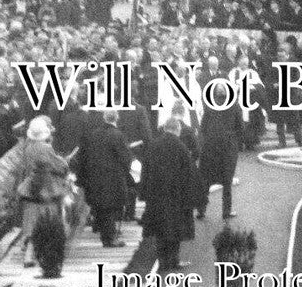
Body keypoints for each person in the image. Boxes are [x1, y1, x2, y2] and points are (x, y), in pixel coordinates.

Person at [140, 117, 203, 274]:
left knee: (160, 229)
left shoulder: (153, 145)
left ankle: (162, 260)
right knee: (175, 229)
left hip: (156, 194)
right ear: (177, 129)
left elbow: (145, 169)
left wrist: (144, 192)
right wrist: (192, 197)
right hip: (175, 195)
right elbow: (188, 173)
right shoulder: (180, 147)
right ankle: (173, 260)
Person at [18, 116, 70, 270]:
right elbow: (59, 167)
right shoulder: (46, 148)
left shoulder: (27, 148)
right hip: (47, 190)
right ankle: (47, 255)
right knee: (50, 220)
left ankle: (28, 256)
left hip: (30, 188)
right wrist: (64, 161)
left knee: (30, 223)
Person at [76, 110, 133, 249]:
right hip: (112, 178)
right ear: (116, 118)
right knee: (110, 209)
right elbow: (125, 158)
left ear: (104, 118)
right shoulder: (118, 135)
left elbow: (83, 156)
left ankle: (105, 235)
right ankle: (109, 238)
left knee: (100, 208)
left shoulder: (93, 134)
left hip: (94, 176)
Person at [197, 78, 243, 221]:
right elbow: (240, 128)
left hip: (210, 146)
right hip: (228, 147)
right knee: (227, 181)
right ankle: (226, 211)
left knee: (205, 180)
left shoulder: (209, 106)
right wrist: (236, 142)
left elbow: (203, 127)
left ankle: (201, 209)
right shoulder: (235, 106)